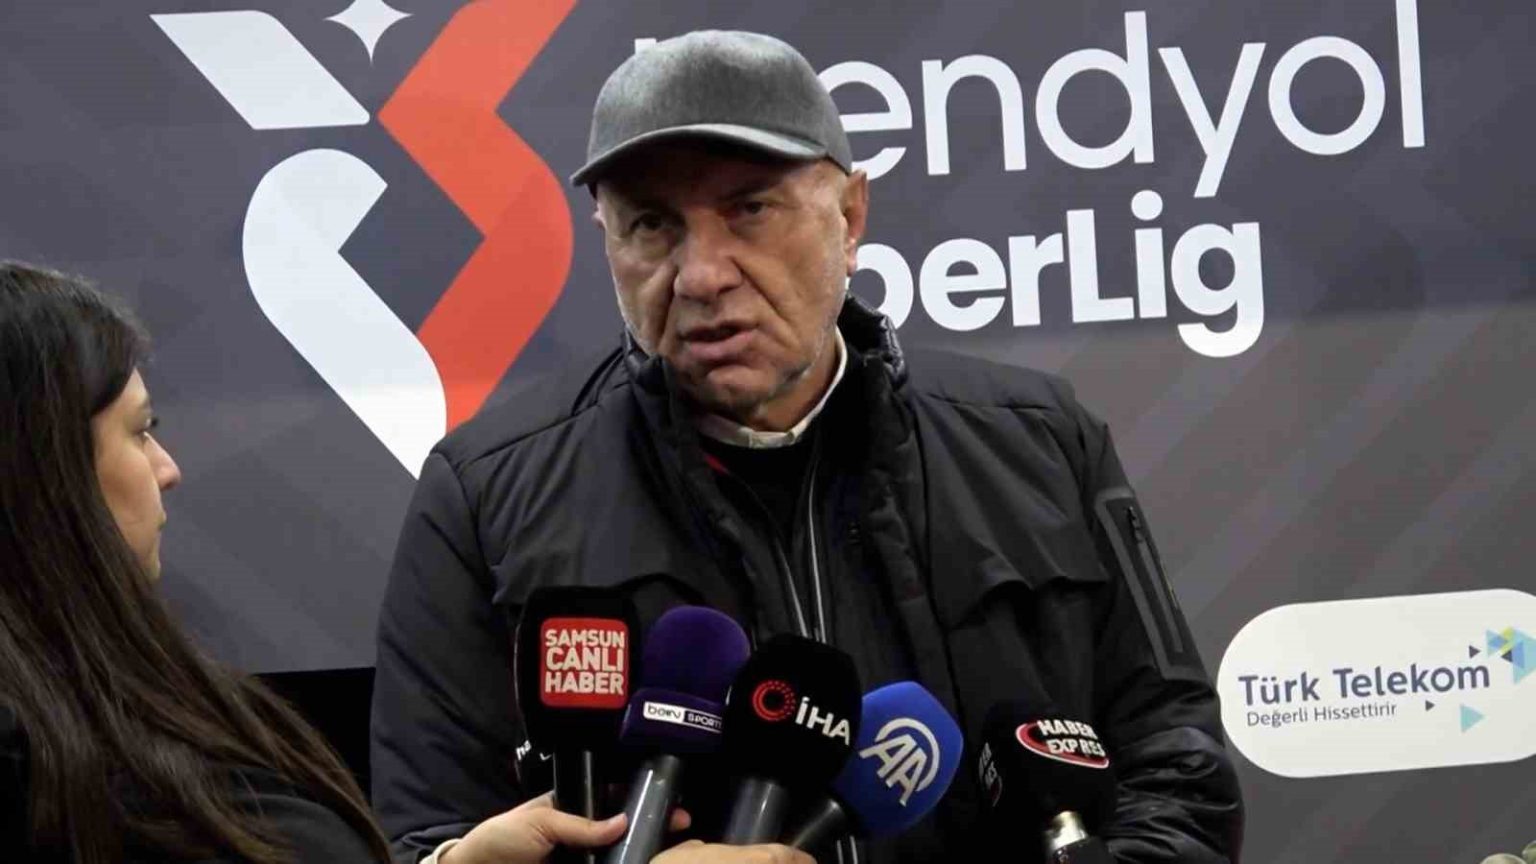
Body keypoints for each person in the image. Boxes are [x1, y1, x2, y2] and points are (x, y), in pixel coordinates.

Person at [371, 30, 1243, 864]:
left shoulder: (1043, 443)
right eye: (652, 225)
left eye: (749, 209)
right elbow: (424, 837)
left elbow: (1180, 777)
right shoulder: (483, 496)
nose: (702, 274)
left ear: (850, 215)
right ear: (607, 240)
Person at [0, 262, 650, 864]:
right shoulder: (72, 774)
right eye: (140, 431)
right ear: (44, 468)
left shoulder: (103, 718)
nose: (167, 469)